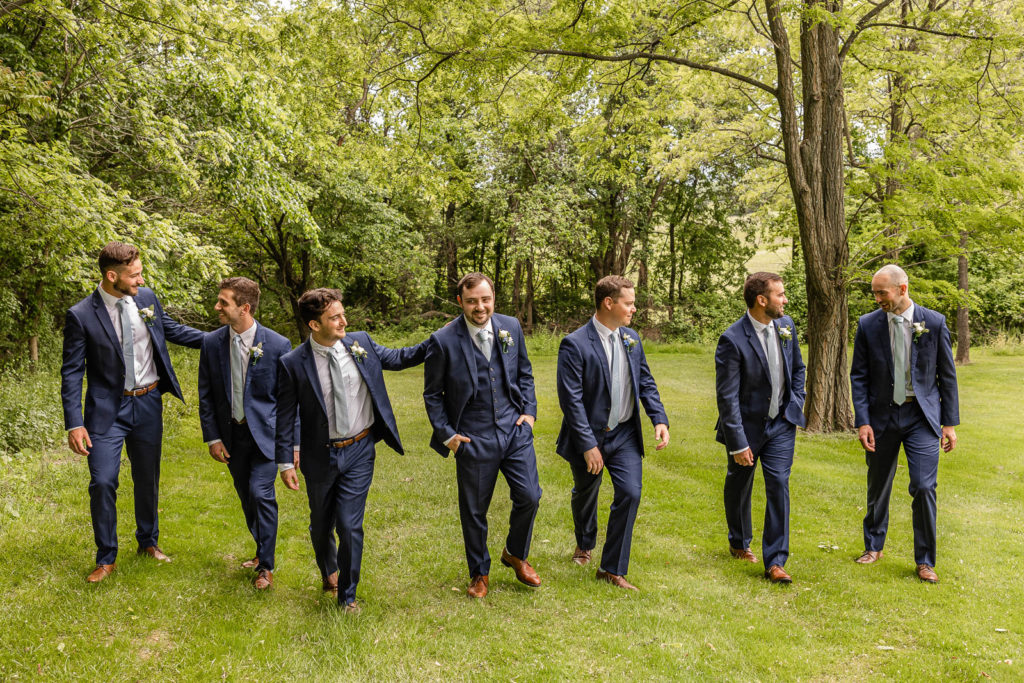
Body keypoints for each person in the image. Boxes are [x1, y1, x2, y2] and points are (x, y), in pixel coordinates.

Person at [274, 288, 426, 612]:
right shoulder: (293, 363)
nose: (344, 321)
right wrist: (285, 462)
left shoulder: (361, 343)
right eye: (335, 317)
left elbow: (399, 358)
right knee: (321, 525)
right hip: (320, 455)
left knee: (349, 524)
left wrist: (438, 340)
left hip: (359, 449)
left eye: (343, 314)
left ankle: (347, 596)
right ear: (315, 325)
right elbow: (285, 415)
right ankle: (328, 570)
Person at [61, 241, 204, 582]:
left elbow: (173, 330)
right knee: (103, 481)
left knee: (147, 477)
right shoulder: (81, 315)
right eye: (134, 275)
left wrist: (224, 338)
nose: (141, 280)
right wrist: (74, 423)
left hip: (148, 402)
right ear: (112, 276)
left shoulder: (146, 298)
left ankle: (148, 542)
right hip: (106, 411)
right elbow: (72, 372)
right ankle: (106, 557)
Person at [423, 272, 542, 599]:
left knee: (530, 495)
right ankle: (479, 573)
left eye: (485, 299)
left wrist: (529, 413)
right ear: (460, 301)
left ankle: (515, 553)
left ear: (493, 299)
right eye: (472, 301)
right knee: (474, 510)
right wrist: (448, 435)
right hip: (472, 435)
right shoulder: (442, 340)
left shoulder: (510, 327)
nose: (480, 307)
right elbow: (432, 394)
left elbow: (525, 372)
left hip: (514, 429)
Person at [556, 275, 670, 591]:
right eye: (629, 303)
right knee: (585, 493)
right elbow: (571, 400)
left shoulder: (631, 338)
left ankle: (611, 569)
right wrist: (587, 445)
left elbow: (644, 381)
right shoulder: (575, 344)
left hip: (624, 434)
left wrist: (659, 419)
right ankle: (585, 542)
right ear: (609, 303)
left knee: (630, 493)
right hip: (589, 434)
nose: (634, 309)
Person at [850, 264, 959, 583]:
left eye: (881, 292)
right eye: (874, 293)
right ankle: (873, 546)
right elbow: (859, 376)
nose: (877, 299)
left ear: (902, 289)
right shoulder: (867, 324)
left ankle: (925, 561)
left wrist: (949, 424)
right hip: (881, 417)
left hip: (921, 417)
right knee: (878, 483)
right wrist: (863, 421)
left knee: (924, 487)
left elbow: (947, 376)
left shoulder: (934, 322)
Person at [198, 277, 293, 590]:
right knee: (246, 497)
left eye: (223, 302)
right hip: (231, 436)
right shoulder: (211, 343)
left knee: (260, 493)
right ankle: (260, 549)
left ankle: (266, 566)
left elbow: (289, 400)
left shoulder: (277, 345)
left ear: (245, 308)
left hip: (266, 436)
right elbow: (206, 394)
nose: (217, 307)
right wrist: (213, 438)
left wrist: (292, 444)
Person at [714, 272, 806, 584]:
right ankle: (739, 541)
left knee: (778, 484)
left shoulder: (786, 326)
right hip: (746, 426)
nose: (785, 300)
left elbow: (798, 368)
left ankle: (776, 561)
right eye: (780, 295)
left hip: (781, 423)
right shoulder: (732, 339)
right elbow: (727, 397)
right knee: (739, 483)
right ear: (761, 300)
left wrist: (796, 403)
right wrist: (738, 443)